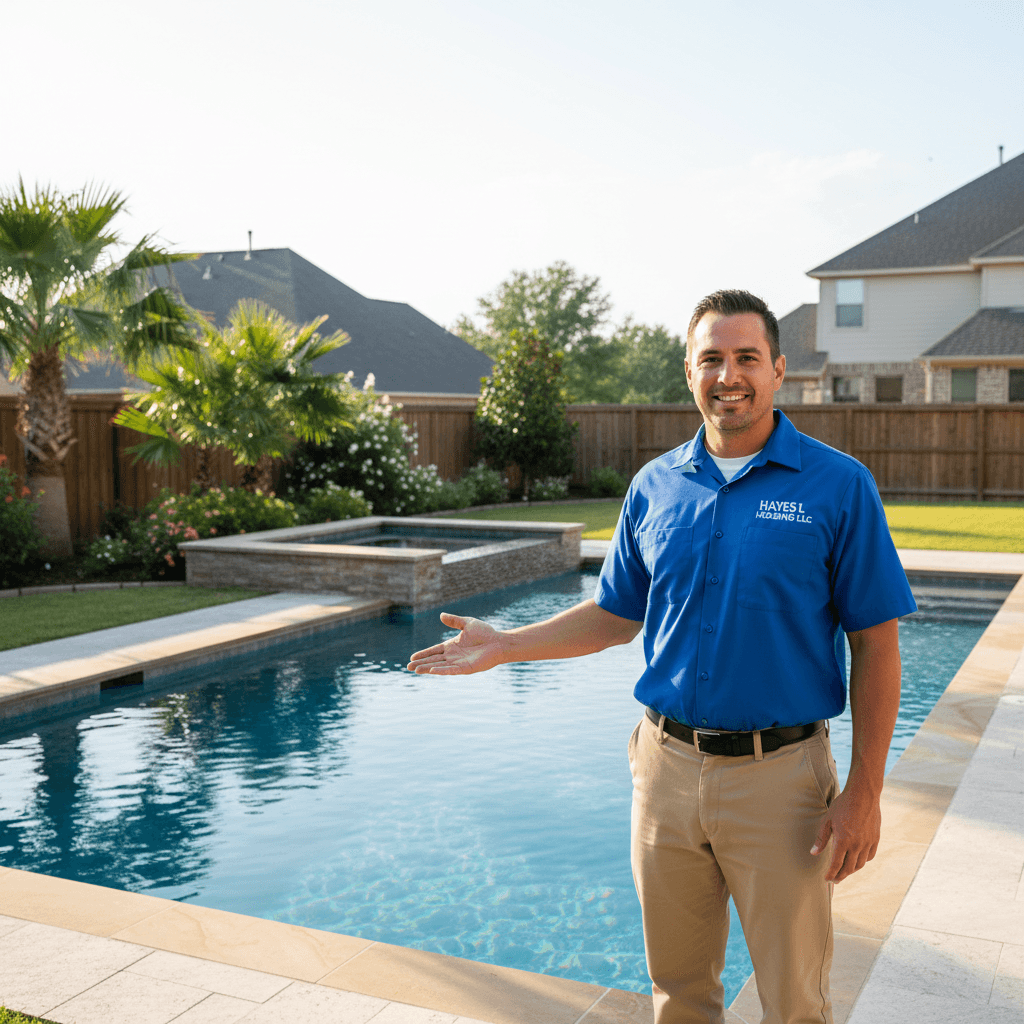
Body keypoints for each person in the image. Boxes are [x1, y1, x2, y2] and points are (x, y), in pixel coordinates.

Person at [407, 289, 916, 1024]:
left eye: (746, 357)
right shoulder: (655, 486)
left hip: (781, 782)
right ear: (688, 371)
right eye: (712, 358)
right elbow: (617, 616)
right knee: (678, 994)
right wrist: (508, 645)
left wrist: (865, 791)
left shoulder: (838, 486)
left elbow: (876, 641)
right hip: (664, 771)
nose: (729, 374)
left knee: (795, 1000)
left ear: (779, 370)